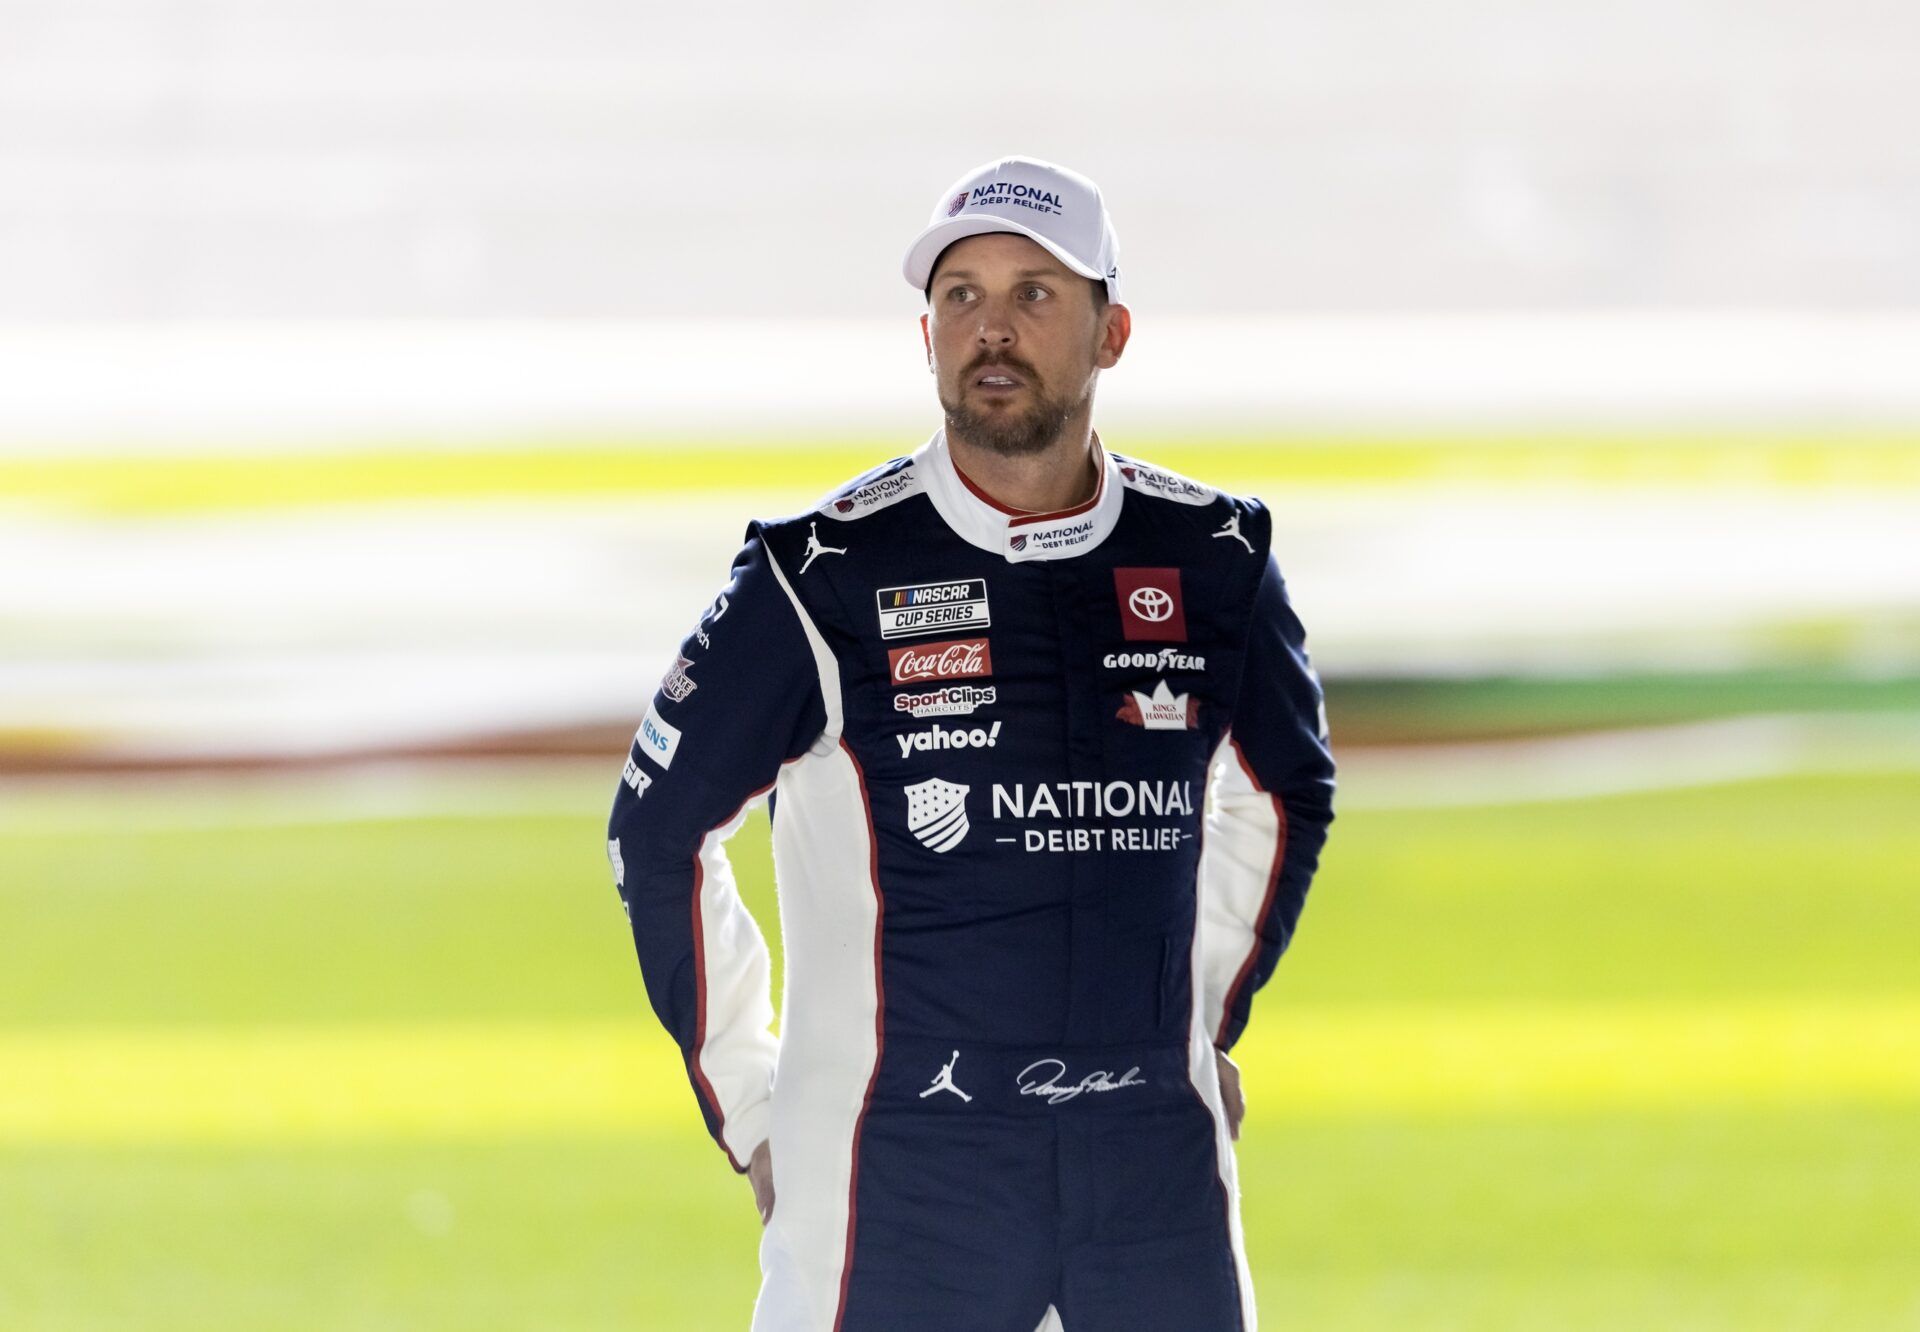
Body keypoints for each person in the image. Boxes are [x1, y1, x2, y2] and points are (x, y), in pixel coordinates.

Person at [604, 154, 1336, 1331]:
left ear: (1112, 334)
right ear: (928, 335)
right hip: (895, 1197)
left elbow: (1284, 794)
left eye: (1035, 295)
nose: (992, 329)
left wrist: (1192, 1023)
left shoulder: (1216, 557)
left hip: (1150, 1183)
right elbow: (657, 834)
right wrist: (752, 1108)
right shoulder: (819, 574)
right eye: (960, 298)